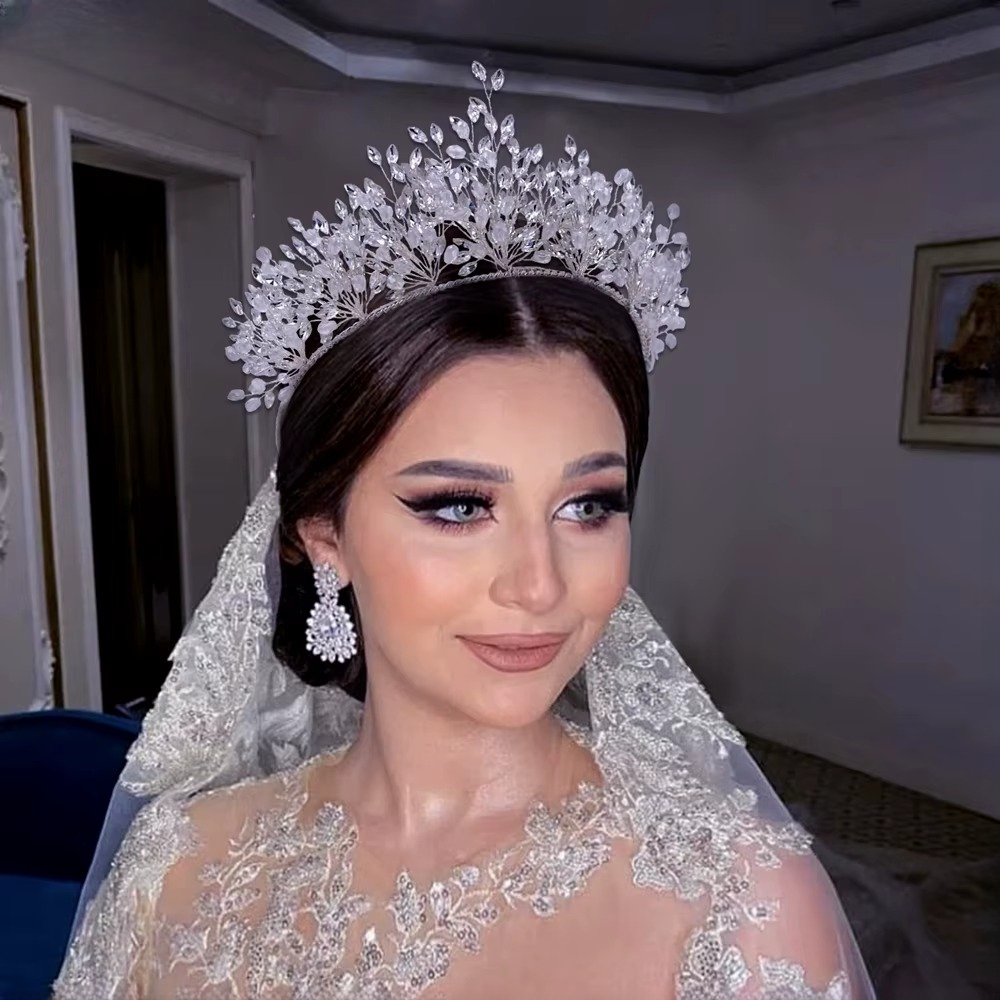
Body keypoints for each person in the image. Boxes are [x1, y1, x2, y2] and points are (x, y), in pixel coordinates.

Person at [54, 64, 875, 999]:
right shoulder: (176, 866)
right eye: (458, 506)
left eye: (587, 505)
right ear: (323, 534)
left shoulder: (742, 904)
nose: (539, 585)